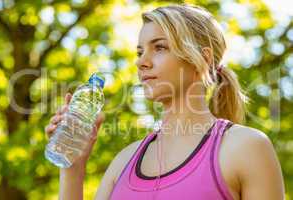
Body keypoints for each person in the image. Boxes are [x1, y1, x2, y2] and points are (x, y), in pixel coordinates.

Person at [45, 3, 285, 200]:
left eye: (159, 48)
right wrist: (73, 170)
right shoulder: (124, 162)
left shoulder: (246, 148)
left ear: (202, 58)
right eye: (139, 52)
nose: (141, 62)